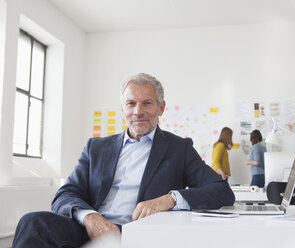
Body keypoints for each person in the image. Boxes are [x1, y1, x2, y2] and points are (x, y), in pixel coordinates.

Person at [12, 73, 235, 247]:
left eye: (147, 103)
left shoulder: (179, 148)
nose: (138, 111)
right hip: (92, 229)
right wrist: (90, 217)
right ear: (123, 109)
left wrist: (170, 199)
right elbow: (65, 194)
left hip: (141, 233)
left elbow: (221, 190)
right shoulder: (96, 147)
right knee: (32, 223)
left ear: (161, 107)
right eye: (131, 104)